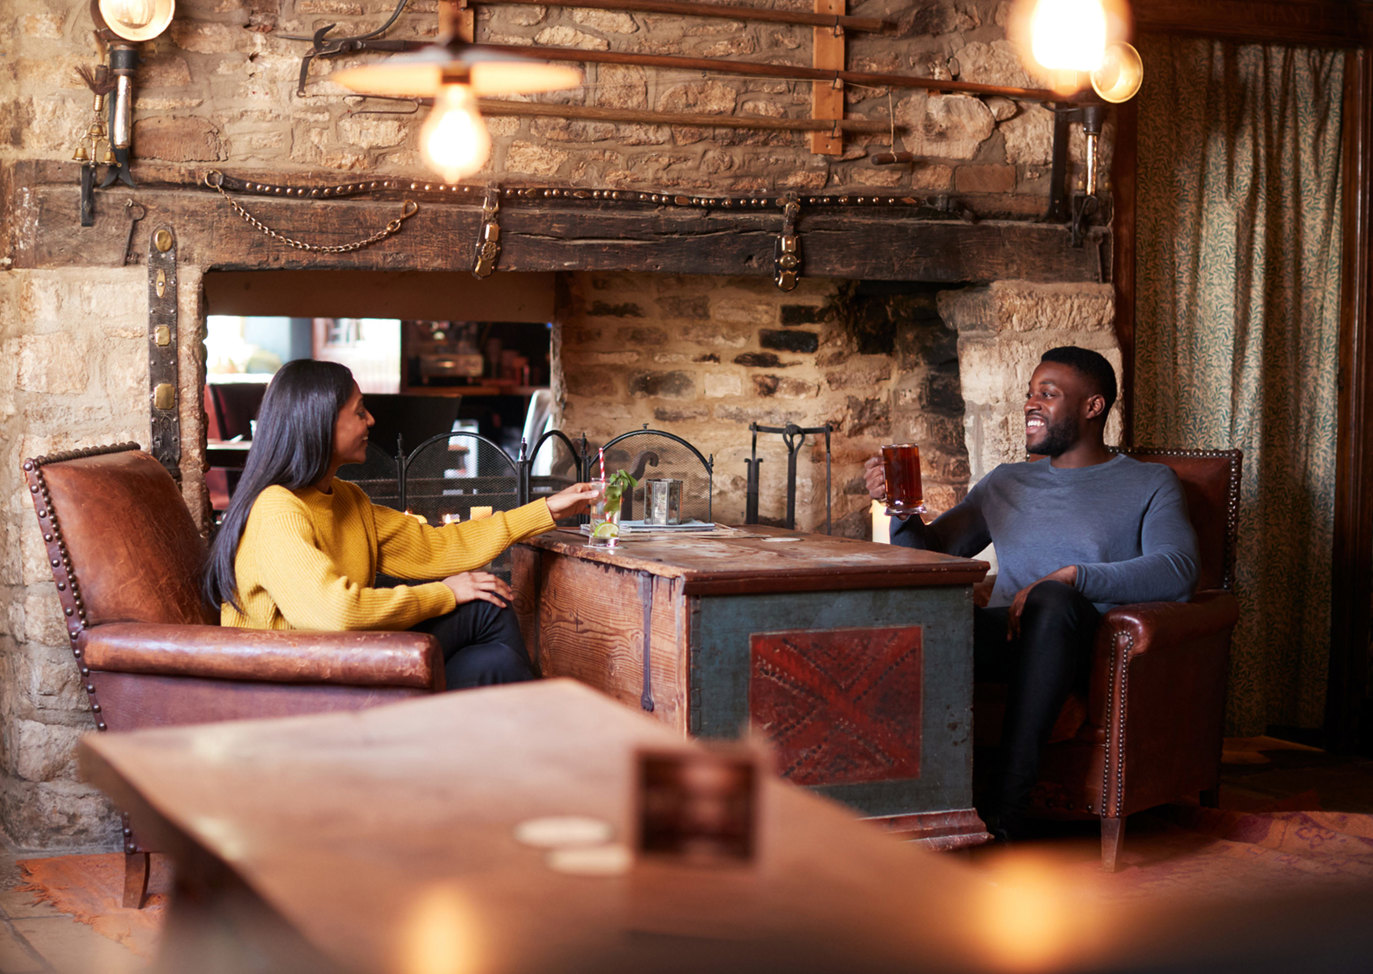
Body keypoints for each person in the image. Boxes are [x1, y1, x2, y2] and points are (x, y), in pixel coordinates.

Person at [864, 346, 1199, 840]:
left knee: (1052, 601)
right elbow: (931, 556)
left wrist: (1070, 577)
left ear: (1093, 406)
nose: (1030, 404)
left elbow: (1178, 569)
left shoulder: (1149, 482)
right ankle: (890, 805)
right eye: (1029, 394)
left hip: (1090, 644)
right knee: (904, 615)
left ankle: (1007, 814)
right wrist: (902, 509)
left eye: (1048, 393)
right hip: (1008, 639)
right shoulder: (1008, 481)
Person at [202, 360, 601, 690]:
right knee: (484, 614)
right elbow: (337, 613)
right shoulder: (277, 509)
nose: (371, 420)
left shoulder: (346, 500)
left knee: (490, 659)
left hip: (341, 659)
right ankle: (537, 731)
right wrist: (444, 594)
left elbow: (437, 547)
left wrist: (546, 509)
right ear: (319, 422)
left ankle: (500, 742)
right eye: (359, 411)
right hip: (300, 679)